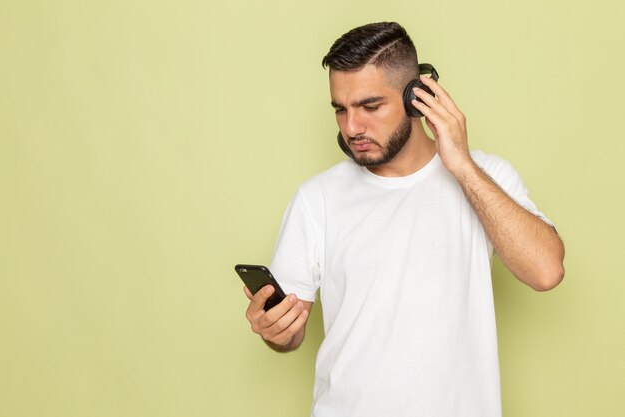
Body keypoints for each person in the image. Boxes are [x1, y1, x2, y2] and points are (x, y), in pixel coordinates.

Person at [242, 21, 565, 417]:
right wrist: (278, 332)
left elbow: (547, 271)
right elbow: (289, 334)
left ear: (419, 98)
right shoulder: (317, 198)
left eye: (370, 106)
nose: (352, 127)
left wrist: (461, 165)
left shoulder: (485, 177)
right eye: (340, 109)